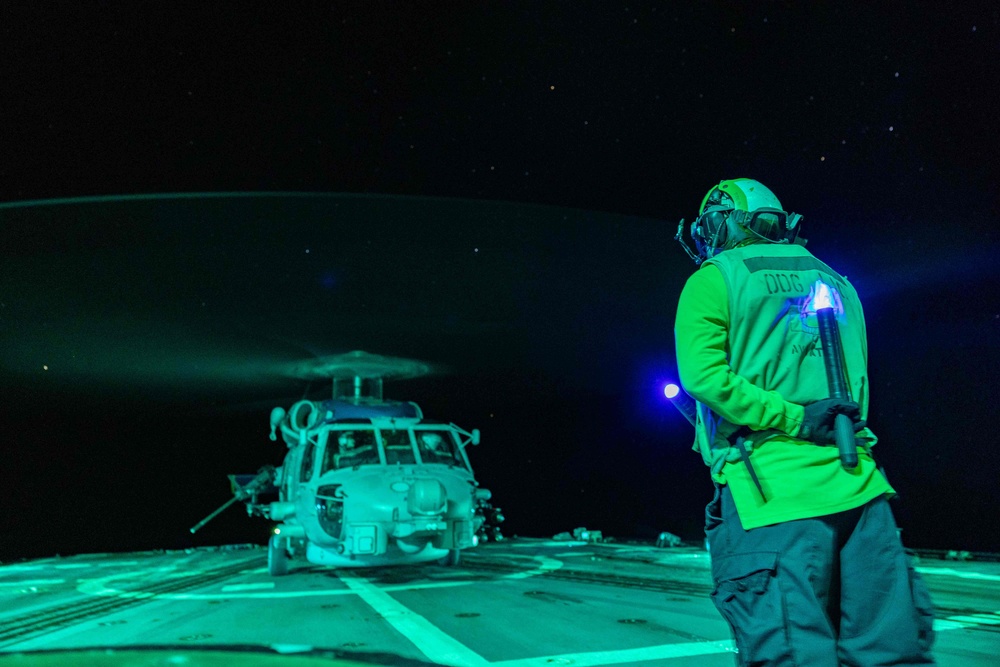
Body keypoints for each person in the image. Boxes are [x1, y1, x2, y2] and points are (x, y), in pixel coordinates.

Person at [673, 178, 936, 666]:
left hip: (775, 494)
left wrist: (791, 418)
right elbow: (854, 386)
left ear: (723, 220)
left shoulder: (715, 278)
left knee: (791, 652)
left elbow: (704, 378)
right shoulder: (837, 280)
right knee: (892, 652)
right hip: (860, 486)